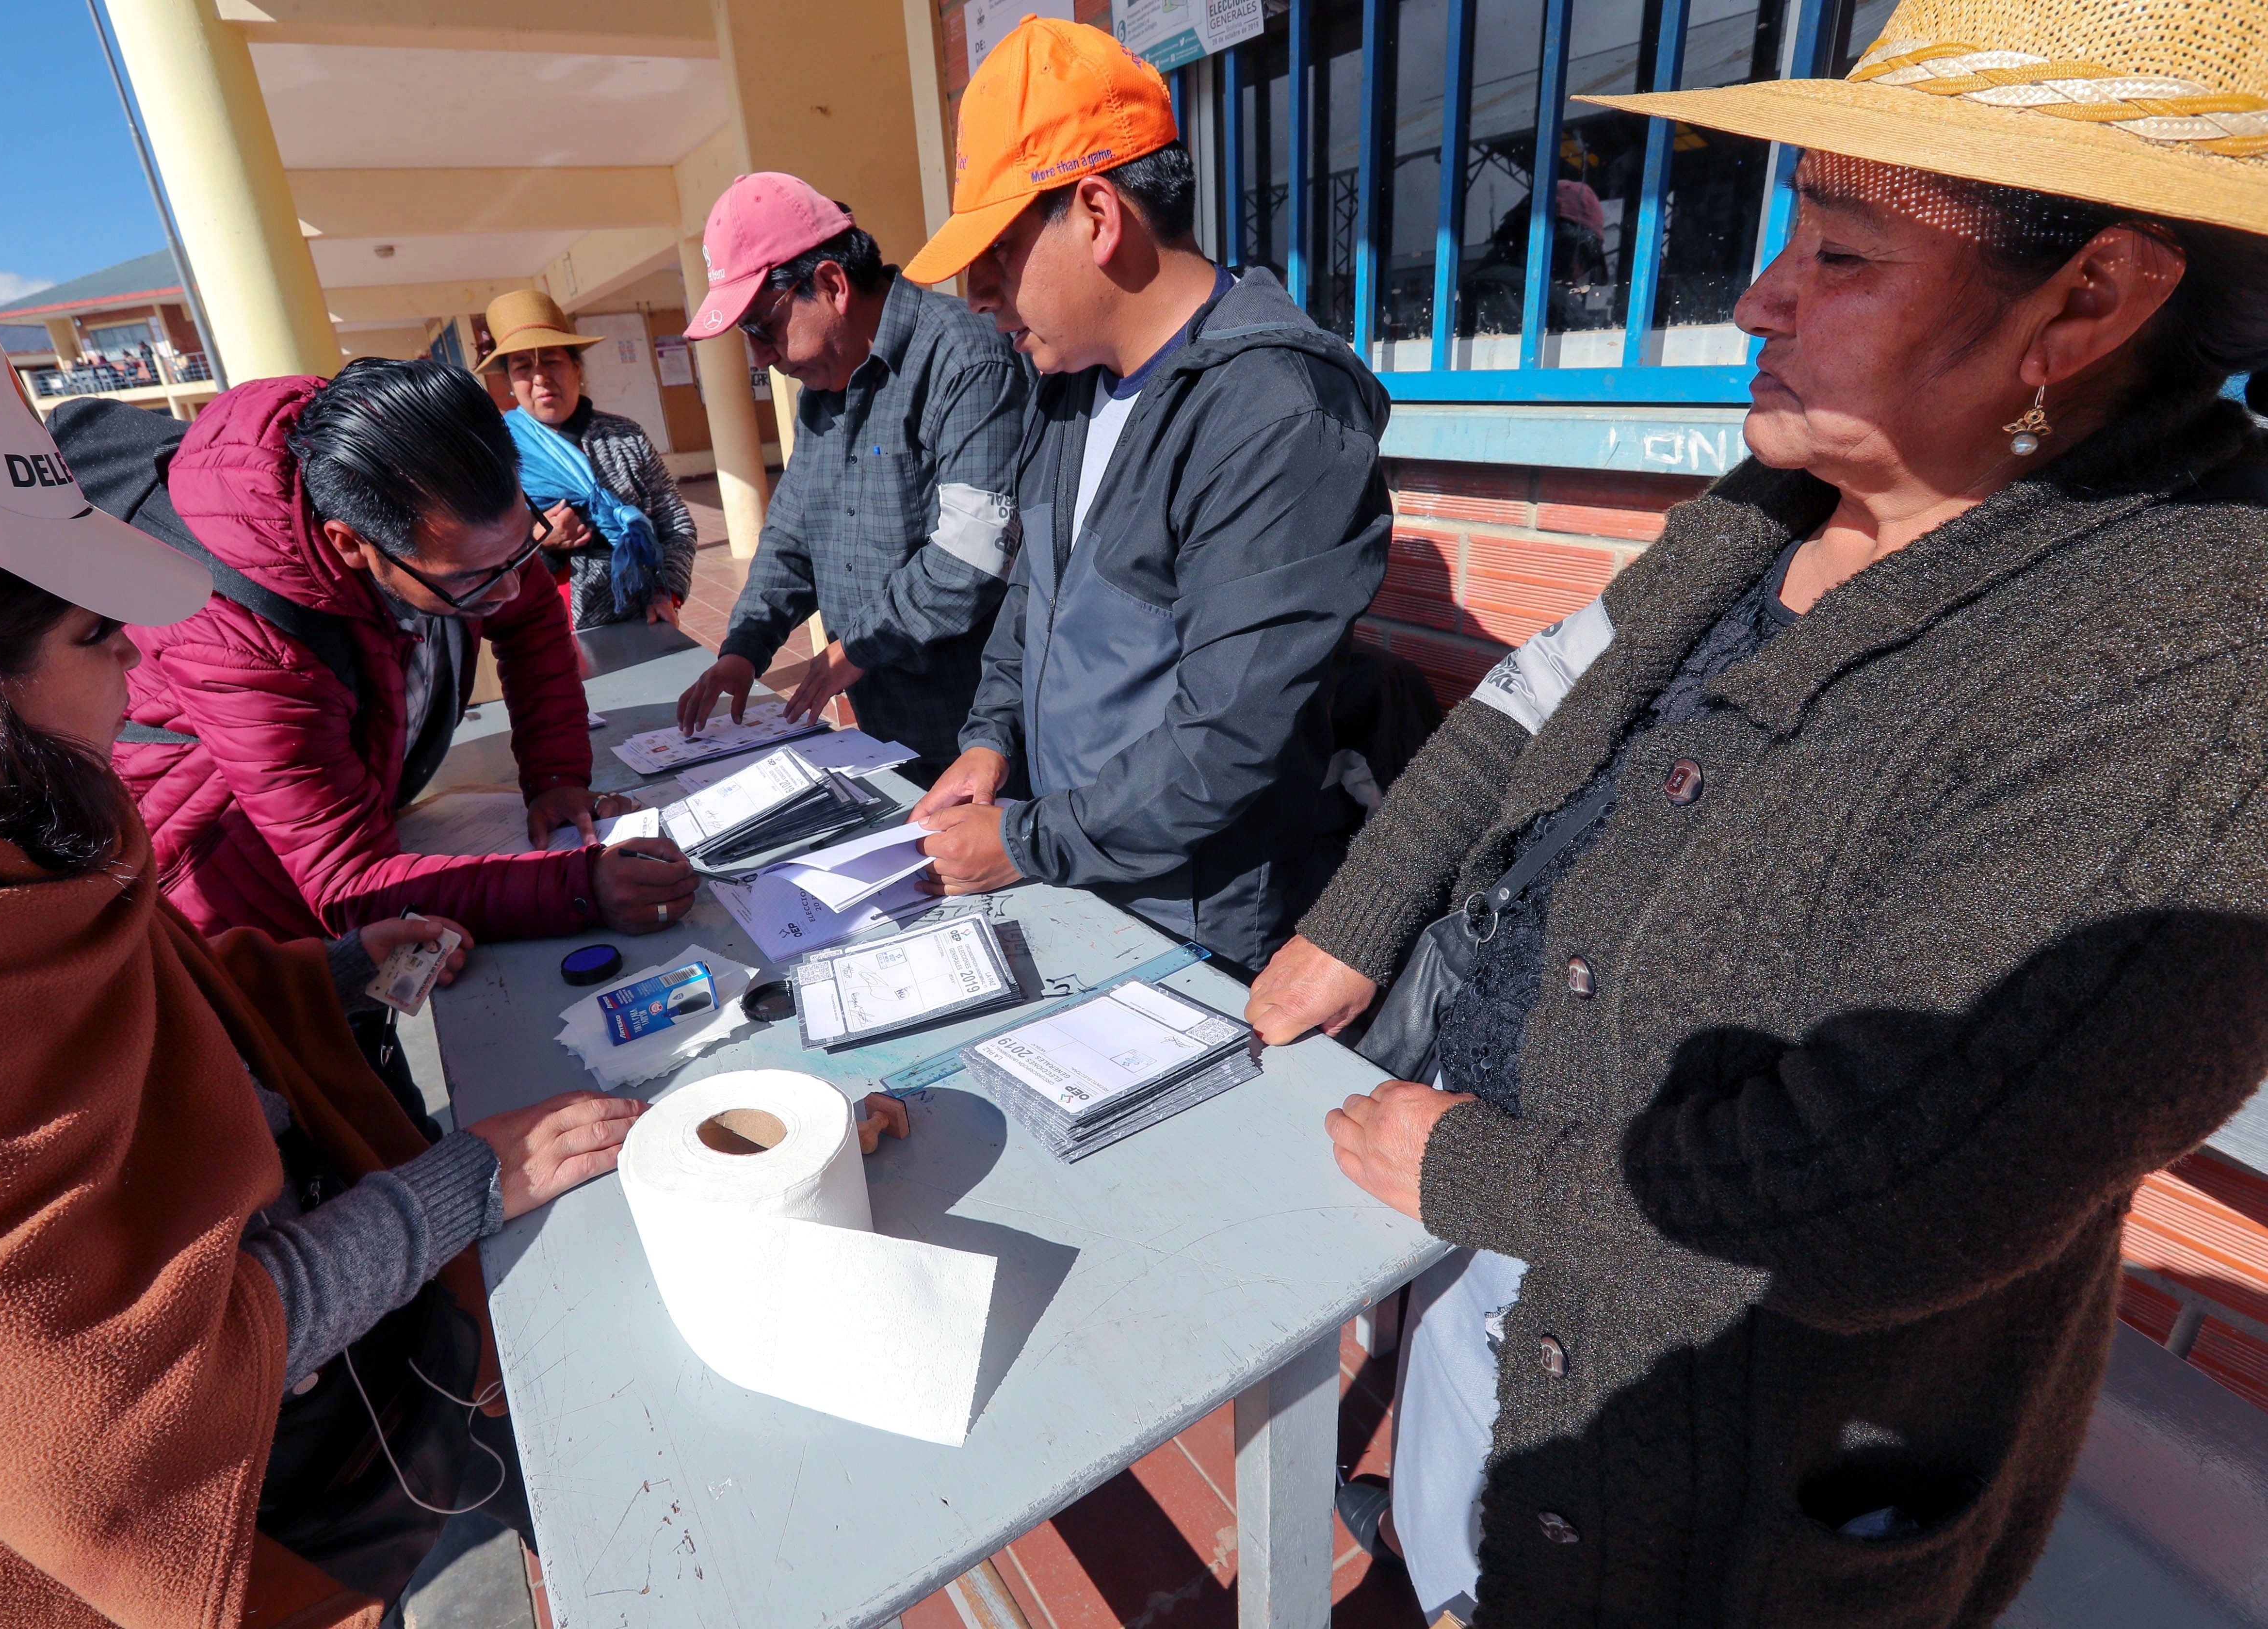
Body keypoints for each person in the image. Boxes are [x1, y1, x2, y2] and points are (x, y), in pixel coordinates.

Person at [1245, 0, 2268, 1618]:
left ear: (2086, 298)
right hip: (1502, 1254)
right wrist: (1353, 920)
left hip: (1709, 1459)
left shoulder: (2192, 664)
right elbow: (1522, 704)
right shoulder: (1774, 500)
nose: (1755, 294)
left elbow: (1888, 1184)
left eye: (1841, 253)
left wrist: (1470, 1172)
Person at [0, 357, 642, 1626]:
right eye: (101, 639)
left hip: (326, 1401)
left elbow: (169, 1013)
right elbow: (133, 1415)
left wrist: (332, 970)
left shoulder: (4, 832)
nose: (137, 679)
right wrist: (463, 1180)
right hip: (230, 1529)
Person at [902, 17, 1392, 974]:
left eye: (996, 255)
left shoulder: (1270, 412)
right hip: (1074, 867)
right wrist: (989, 741)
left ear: (1095, 214)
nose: (979, 294)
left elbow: (1227, 738)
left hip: (1200, 913)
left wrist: (1024, 840)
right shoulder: (1070, 383)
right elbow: (1032, 595)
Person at [59, 358, 697, 949]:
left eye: (522, 548)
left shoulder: (428, 485)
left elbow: (529, 616)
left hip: (355, 824)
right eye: (473, 577)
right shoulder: (232, 636)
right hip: (244, 901)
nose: (508, 586)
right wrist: (581, 887)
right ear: (348, 546)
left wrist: (557, 776)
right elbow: (346, 881)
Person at [672, 173, 1026, 779]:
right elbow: (791, 535)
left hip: (978, 733)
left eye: (761, 326)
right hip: (884, 727)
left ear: (832, 284)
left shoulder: (966, 359)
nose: (759, 357)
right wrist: (743, 650)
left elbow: (970, 556)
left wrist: (857, 646)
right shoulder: (824, 384)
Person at [477, 288, 697, 631]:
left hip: (641, 621)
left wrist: (665, 592)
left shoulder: (626, 437)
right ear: (509, 382)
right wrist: (537, 543)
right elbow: (477, 556)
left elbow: (676, 525)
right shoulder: (497, 455)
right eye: (523, 367)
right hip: (542, 633)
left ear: (576, 367)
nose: (539, 378)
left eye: (551, 360)